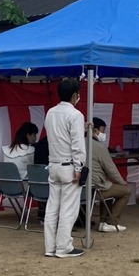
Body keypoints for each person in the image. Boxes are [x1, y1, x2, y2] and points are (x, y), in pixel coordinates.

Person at [43, 78, 86, 258]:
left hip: (53, 164)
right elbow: (77, 144)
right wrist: (79, 166)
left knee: (52, 208)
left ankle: (50, 247)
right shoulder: (76, 115)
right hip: (69, 165)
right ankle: (64, 247)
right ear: (75, 95)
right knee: (68, 209)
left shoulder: (50, 113)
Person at [90, 117, 131, 232]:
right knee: (125, 191)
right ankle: (111, 222)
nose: (104, 134)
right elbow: (111, 170)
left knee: (109, 186)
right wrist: (123, 183)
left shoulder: (77, 143)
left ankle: (103, 223)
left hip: (79, 188)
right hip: (95, 188)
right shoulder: (100, 147)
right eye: (102, 131)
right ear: (95, 131)